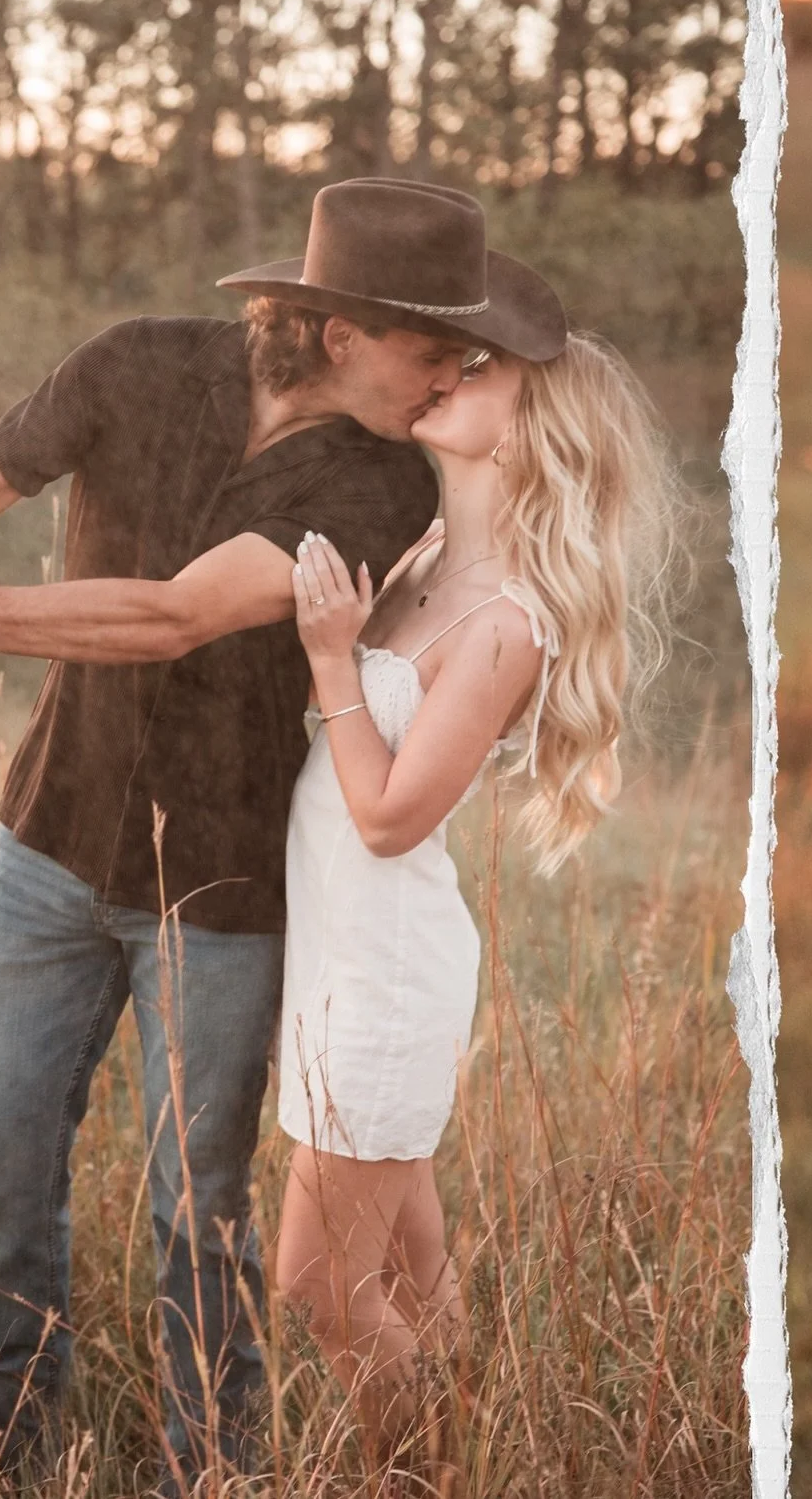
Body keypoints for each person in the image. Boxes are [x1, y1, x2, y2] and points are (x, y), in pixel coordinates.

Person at [0, 178, 555, 1494]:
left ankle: (214, 1472)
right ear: (339, 329)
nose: (452, 375)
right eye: (436, 343)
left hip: (219, 886)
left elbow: (178, 614)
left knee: (199, 1214)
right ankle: (10, 1454)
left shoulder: (378, 480)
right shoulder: (133, 364)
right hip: (47, 844)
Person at [270, 303, 688, 1471]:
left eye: (486, 367)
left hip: (387, 976)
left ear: (528, 427)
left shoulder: (508, 621)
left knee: (313, 1287)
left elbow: (393, 816)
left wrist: (325, 661)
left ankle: (431, 1474)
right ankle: (478, 1460)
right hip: (343, 960)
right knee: (410, 1274)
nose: (455, 369)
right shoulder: (421, 564)